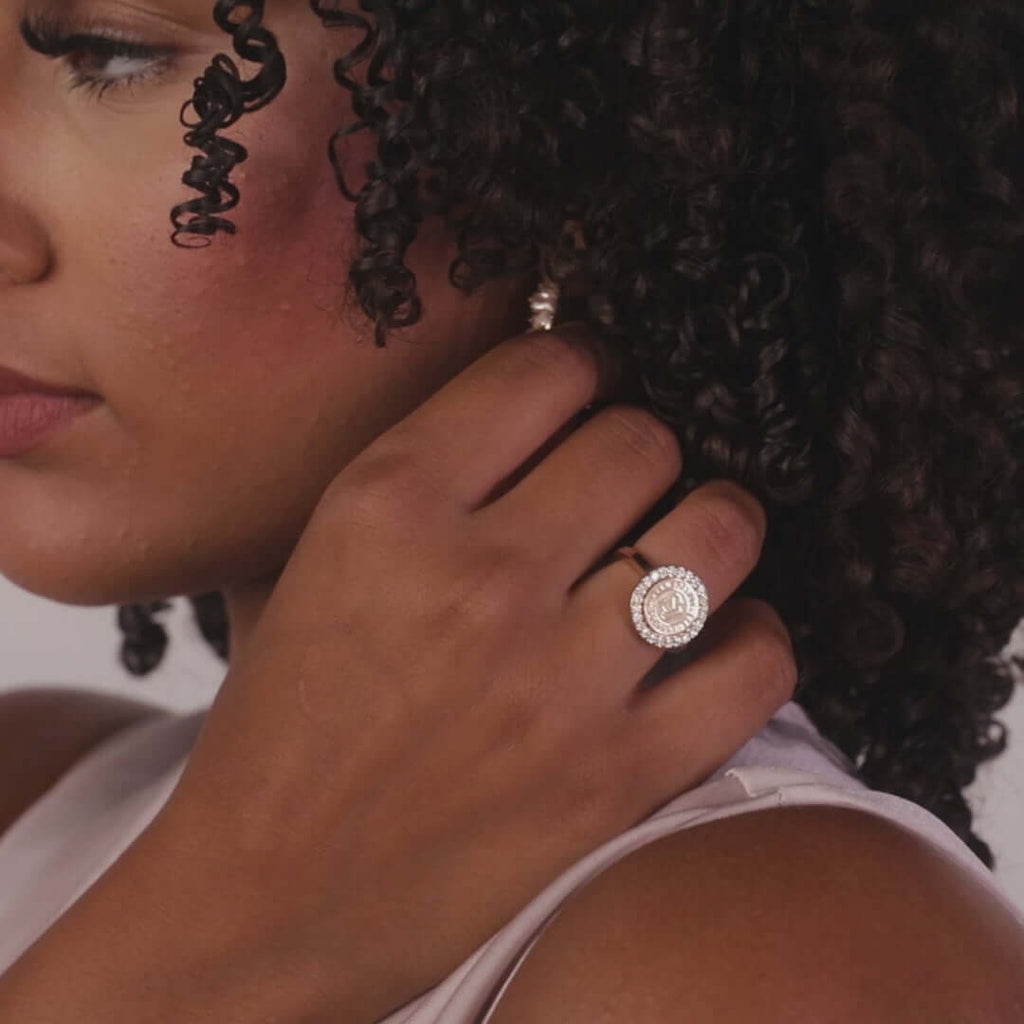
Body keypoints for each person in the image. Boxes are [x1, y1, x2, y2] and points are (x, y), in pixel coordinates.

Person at [1, 0, 1023, 1019]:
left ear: (562, 133)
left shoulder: (787, 957)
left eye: (109, 54)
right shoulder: (33, 786)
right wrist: (226, 917)